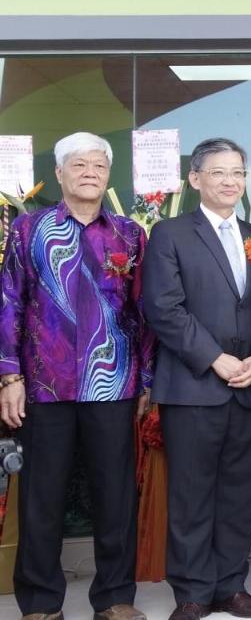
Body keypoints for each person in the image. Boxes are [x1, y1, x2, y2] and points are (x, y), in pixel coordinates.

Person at [0, 132, 154, 620]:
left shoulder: (130, 234)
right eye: (79, 165)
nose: (90, 172)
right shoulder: (28, 230)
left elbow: (143, 312)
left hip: (113, 385)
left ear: (108, 176)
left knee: (115, 495)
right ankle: (41, 603)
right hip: (44, 385)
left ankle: (114, 598)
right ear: (61, 174)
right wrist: (9, 377)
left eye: (99, 166)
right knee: (42, 498)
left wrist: (147, 379)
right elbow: (8, 303)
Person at [141, 138, 251, 620]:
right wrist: (215, 358)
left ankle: (231, 586)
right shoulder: (170, 233)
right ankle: (193, 592)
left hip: (249, 386)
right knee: (192, 494)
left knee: (239, 495)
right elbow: (163, 307)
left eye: (238, 172)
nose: (230, 181)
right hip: (195, 385)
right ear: (195, 179)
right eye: (219, 172)